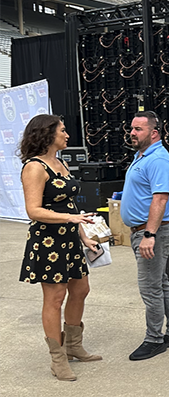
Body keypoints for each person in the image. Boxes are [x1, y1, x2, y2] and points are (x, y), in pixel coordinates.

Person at [17, 114, 102, 381]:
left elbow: (68, 205)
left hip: (68, 238)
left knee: (81, 289)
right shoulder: (35, 167)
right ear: (46, 133)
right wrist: (70, 218)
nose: (67, 135)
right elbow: (34, 210)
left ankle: (74, 346)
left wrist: (83, 235)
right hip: (47, 241)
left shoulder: (61, 162)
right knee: (54, 299)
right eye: (63, 131)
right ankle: (58, 358)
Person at [121, 111, 169, 361]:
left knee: (149, 288)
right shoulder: (141, 156)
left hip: (153, 232)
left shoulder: (159, 159)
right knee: (159, 282)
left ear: (154, 133)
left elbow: (160, 199)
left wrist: (149, 234)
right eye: (131, 128)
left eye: (138, 129)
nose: (132, 132)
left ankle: (154, 339)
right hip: (144, 231)